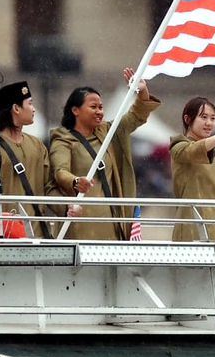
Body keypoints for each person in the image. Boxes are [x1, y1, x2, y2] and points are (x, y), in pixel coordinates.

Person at [49, 69, 161, 240]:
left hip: (113, 220)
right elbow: (60, 171)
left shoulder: (109, 133)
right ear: (75, 110)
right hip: (82, 223)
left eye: (101, 107)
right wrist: (76, 181)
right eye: (93, 107)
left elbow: (136, 116)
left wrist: (142, 91)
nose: (99, 111)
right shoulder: (63, 139)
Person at [0, 80, 56, 237]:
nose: (34, 109)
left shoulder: (37, 145)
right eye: (30, 104)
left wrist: (67, 206)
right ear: (16, 108)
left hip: (38, 236)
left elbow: (49, 187)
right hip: (7, 239)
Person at [169, 96, 215, 242]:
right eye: (204, 117)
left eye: (213, 118)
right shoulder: (179, 146)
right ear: (187, 119)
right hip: (194, 231)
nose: (209, 123)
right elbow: (192, 151)